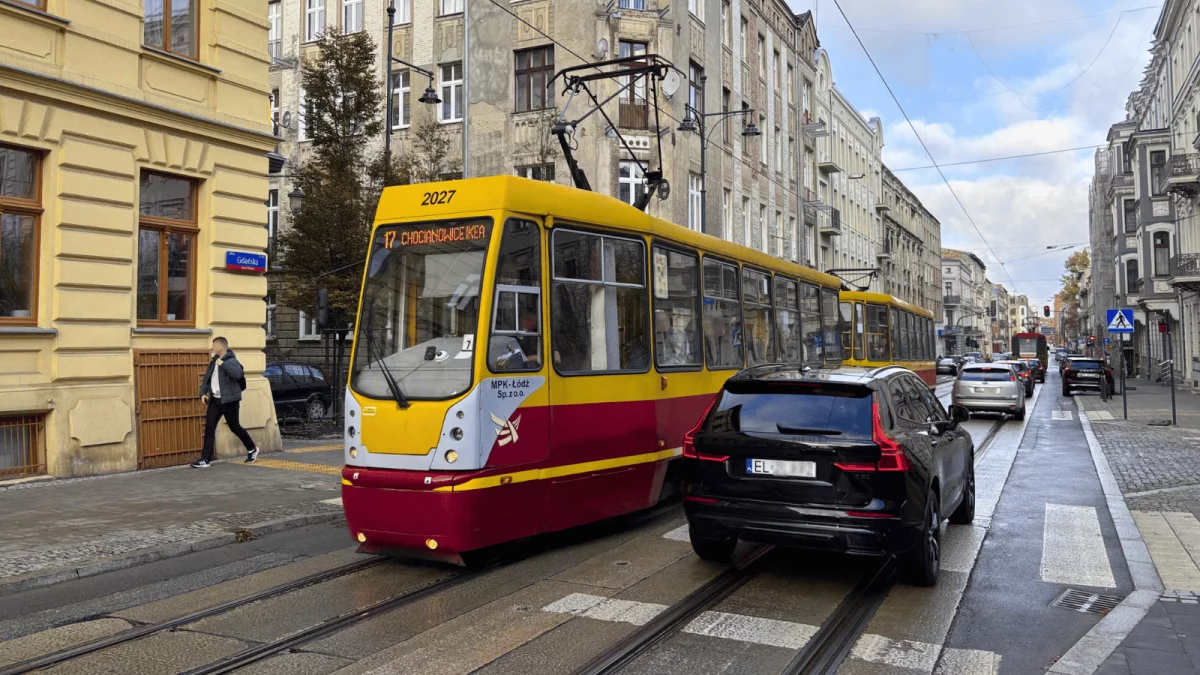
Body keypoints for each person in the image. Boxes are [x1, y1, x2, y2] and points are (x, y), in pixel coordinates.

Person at [194, 337, 259, 467]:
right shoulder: (213, 362)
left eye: (213, 345)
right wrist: (202, 393)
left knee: (235, 427)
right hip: (215, 400)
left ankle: (252, 448)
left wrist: (223, 364)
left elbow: (237, 374)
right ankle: (205, 459)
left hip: (230, 401)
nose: (212, 348)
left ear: (220, 346)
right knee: (209, 428)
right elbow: (206, 379)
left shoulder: (231, 361)